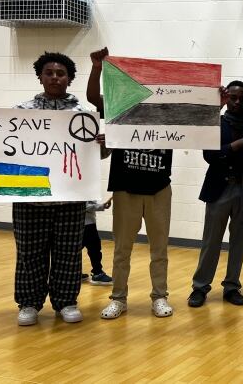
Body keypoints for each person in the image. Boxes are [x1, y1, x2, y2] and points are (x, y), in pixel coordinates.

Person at [0, 52, 91, 325]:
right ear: (40, 76)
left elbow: (96, 158)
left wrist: (102, 144)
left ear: (70, 78)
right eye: (49, 72)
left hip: (71, 200)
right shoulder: (19, 112)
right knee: (30, 254)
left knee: (68, 254)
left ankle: (66, 302)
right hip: (28, 198)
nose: (55, 77)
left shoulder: (83, 115)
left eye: (61, 73)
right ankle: (29, 303)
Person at [86, 47, 175, 319]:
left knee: (159, 249)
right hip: (125, 189)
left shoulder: (168, 113)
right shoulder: (121, 107)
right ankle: (119, 298)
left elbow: (201, 122)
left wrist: (213, 101)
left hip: (159, 188)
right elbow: (92, 98)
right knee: (122, 249)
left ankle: (159, 297)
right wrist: (97, 67)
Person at [187, 81, 243, 308]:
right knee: (211, 242)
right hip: (219, 189)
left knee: (238, 242)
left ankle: (232, 286)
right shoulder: (216, 122)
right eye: (233, 97)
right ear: (227, 99)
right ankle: (200, 287)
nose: (237, 102)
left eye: (241, 98)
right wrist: (237, 145)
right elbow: (210, 155)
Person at [82, 199, 114, 285]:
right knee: (94, 249)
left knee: (94, 249)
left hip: (88, 223)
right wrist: (101, 206)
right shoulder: (77, 190)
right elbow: (83, 206)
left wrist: (101, 205)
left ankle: (75, 273)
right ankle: (97, 273)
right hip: (84, 224)